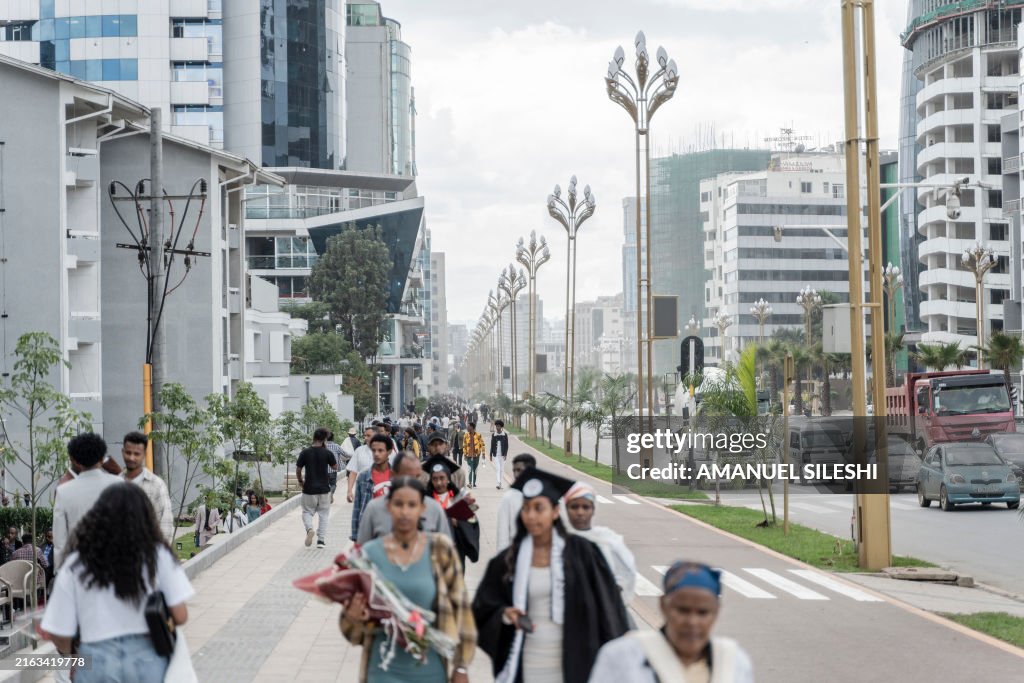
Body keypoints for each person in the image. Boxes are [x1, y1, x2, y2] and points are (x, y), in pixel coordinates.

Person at [472, 468, 630, 683]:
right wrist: (504, 614)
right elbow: (482, 608)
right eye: (526, 509)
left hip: (577, 663)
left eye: (539, 508)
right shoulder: (508, 560)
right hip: (525, 662)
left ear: (555, 511)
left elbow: (608, 606)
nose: (531, 516)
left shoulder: (583, 553)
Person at [41, 484, 194, 683]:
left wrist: (75, 658)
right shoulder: (158, 555)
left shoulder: (76, 563)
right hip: (147, 660)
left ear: (97, 517)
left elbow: (58, 633)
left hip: (96, 662)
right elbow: (180, 616)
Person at [340, 476, 476, 683]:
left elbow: (461, 609)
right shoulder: (369, 555)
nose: (404, 511)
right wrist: (352, 617)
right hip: (381, 670)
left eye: (411, 505)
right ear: (388, 507)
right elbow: (351, 631)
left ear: (422, 508)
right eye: (398, 504)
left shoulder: (440, 550)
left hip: (430, 670)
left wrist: (462, 667)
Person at [589, 562, 754, 683]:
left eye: (702, 613)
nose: (692, 622)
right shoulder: (622, 657)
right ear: (663, 605)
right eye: (683, 610)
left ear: (716, 611)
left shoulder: (733, 661)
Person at [53, 433, 120, 568]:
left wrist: (61, 571)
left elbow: (60, 541)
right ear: (102, 458)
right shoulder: (120, 485)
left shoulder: (63, 491)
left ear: (74, 460)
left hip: (79, 568)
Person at [564, 483, 637, 605]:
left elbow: (626, 575)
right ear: (566, 509)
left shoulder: (608, 541)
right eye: (574, 507)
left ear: (593, 510)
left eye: (586, 507)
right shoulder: (557, 539)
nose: (580, 512)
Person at [356, 451, 451, 544]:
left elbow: (447, 551)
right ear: (392, 475)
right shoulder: (374, 509)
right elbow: (362, 551)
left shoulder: (434, 508)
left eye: (417, 476)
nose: (414, 482)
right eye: (408, 476)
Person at [425, 455, 480, 575]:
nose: (439, 483)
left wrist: (459, 522)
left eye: (442, 478)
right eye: (435, 479)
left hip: (455, 553)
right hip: (431, 555)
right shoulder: (424, 501)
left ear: (448, 479)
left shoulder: (459, 498)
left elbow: (472, 524)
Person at [120, 431, 175, 544]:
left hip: (147, 555)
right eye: (128, 452)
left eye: (136, 454)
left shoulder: (156, 485)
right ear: (122, 452)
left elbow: (166, 525)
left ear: (144, 454)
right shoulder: (114, 483)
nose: (131, 458)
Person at [297, 427, 337, 549]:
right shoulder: (327, 453)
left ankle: (309, 529)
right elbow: (335, 467)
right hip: (324, 489)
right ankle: (320, 541)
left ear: (313, 437)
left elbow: (298, 469)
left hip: (309, 488)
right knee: (324, 515)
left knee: (307, 512)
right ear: (325, 439)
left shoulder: (305, 452)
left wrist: (301, 481)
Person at [350, 435, 394, 542]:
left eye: (380, 450)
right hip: (370, 530)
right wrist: (356, 535)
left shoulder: (398, 476)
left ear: (389, 451)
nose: (376, 454)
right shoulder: (364, 476)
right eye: (373, 450)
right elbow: (357, 507)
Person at [496, 454, 536, 551]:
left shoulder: (544, 495)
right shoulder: (509, 497)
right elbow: (503, 533)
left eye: (520, 470)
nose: (516, 474)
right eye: (514, 471)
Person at [347, 426, 377, 503]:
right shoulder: (359, 451)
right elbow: (353, 472)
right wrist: (349, 490)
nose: (366, 438)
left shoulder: (387, 451)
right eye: (365, 436)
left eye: (368, 436)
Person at [462, 422, 485, 489]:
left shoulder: (478, 435)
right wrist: (465, 454)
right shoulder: (466, 435)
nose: (467, 428)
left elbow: (482, 444)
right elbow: (464, 445)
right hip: (468, 455)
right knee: (470, 469)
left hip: (476, 455)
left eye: (468, 426)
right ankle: (469, 483)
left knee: (475, 470)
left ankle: (474, 483)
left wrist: (483, 453)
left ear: (472, 427)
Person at [325, 431, 346, 504]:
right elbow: (345, 454)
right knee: (333, 484)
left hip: (323, 470)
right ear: (333, 438)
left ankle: (327, 496)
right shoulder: (336, 446)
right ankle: (331, 493)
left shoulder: (322, 446)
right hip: (333, 469)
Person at [490, 419, 509, 490]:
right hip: (495, 455)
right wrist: (490, 455)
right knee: (498, 468)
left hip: (502, 455)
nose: (497, 427)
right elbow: (491, 445)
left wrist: (505, 455)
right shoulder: (493, 435)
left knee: (501, 470)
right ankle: (498, 483)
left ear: (501, 427)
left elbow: (507, 445)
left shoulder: (505, 435)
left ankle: (500, 483)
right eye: (496, 426)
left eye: (498, 426)